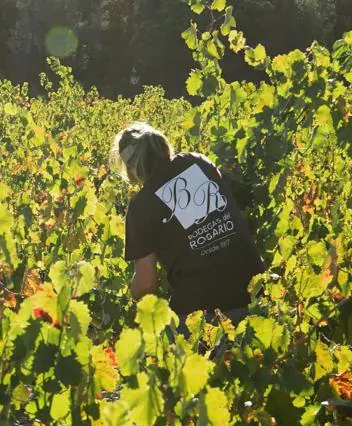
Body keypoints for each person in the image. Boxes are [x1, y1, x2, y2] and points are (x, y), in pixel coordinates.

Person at [112, 122, 265, 328]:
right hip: (257, 294)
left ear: (132, 167)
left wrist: (131, 295)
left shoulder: (142, 206)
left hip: (203, 314)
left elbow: (146, 282)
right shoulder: (198, 163)